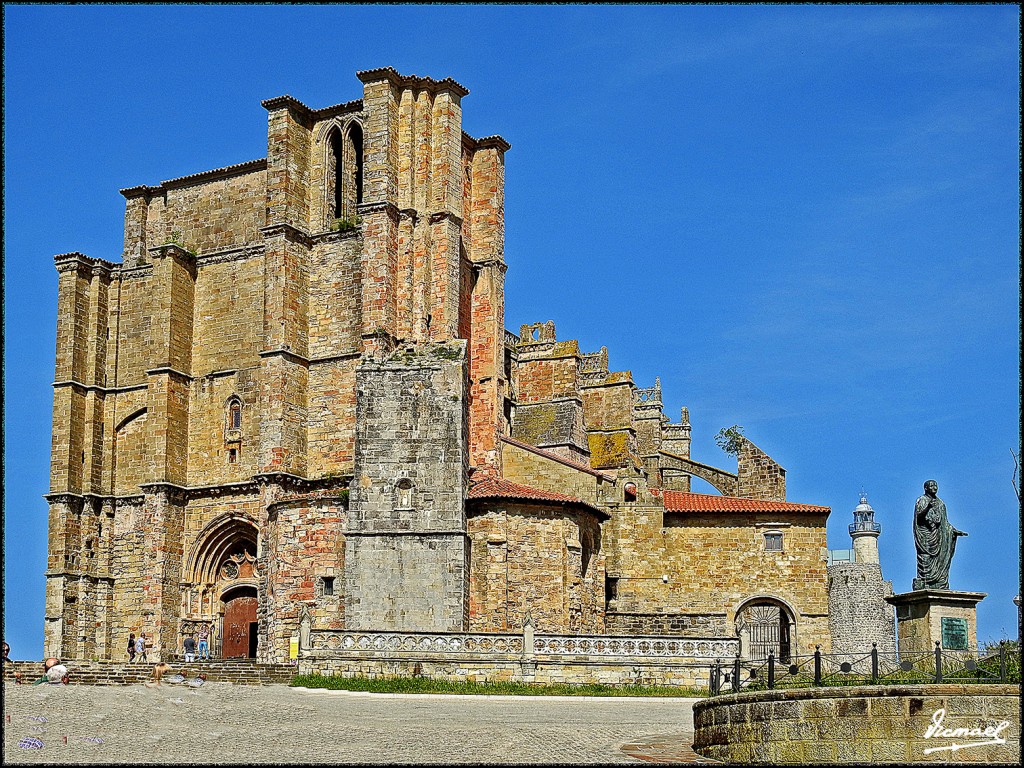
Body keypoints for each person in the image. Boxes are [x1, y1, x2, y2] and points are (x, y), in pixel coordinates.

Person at [913, 480, 967, 591]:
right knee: (926, 559)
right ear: (926, 488)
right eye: (931, 486)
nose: (934, 487)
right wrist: (928, 507)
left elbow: (944, 523)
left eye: (935, 485)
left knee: (941, 560)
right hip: (926, 536)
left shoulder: (940, 503)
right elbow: (919, 517)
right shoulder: (922, 500)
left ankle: (940, 583)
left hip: (939, 537)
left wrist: (953, 531)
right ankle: (925, 582)